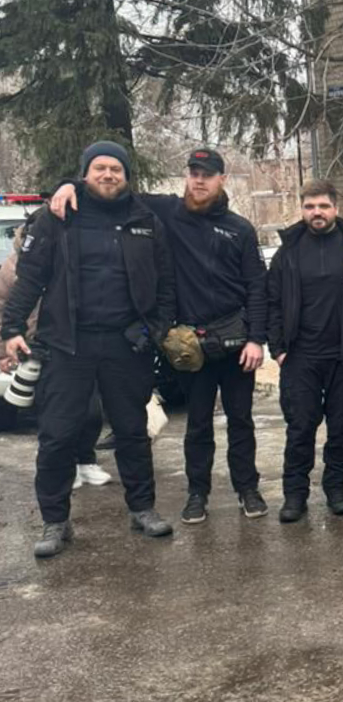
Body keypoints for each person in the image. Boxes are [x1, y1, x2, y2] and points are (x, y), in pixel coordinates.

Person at [51, 148, 269, 524]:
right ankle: (197, 493)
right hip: (190, 345)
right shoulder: (166, 212)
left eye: (208, 174)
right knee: (197, 424)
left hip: (235, 340)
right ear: (187, 175)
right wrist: (70, 184)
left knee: (241, 422)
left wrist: (256, 339)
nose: (199, 180)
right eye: (194, 172)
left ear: (221, 180)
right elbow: (111, 186)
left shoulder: (240, 229)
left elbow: (257, 288)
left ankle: (247, 489)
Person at [1, 141, 175, 557]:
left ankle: (142, 509)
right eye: (99, 167)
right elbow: (29, 279)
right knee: (57, 435)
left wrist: (154, 330)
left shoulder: (146, 220)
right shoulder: (57, 217)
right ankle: (55, 521)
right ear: (85, 173)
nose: (109, 175)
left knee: (133, 432)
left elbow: (166, 286)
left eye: (116, 168)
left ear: (126, 175)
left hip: (125, 345)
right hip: (66, 345)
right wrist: (9, 329)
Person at [267, 180, 343, 523]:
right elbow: (273, 302)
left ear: (335, 208)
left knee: (341, 427)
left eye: (323, 206)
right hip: (300, 356)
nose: (317, 213)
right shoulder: (288, 251)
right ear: (303, 210)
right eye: (310, 207)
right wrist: (278, 349)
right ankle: (295, 495)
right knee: (300, 428)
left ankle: (336, 489)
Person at [0, 219, 111, 488]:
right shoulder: (12, 267)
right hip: (33, 348)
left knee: (91, 410)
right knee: (52, 415)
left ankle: (86, 459)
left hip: (74, 344)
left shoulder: (70, 256)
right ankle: (64, 467)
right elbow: (4, 308)